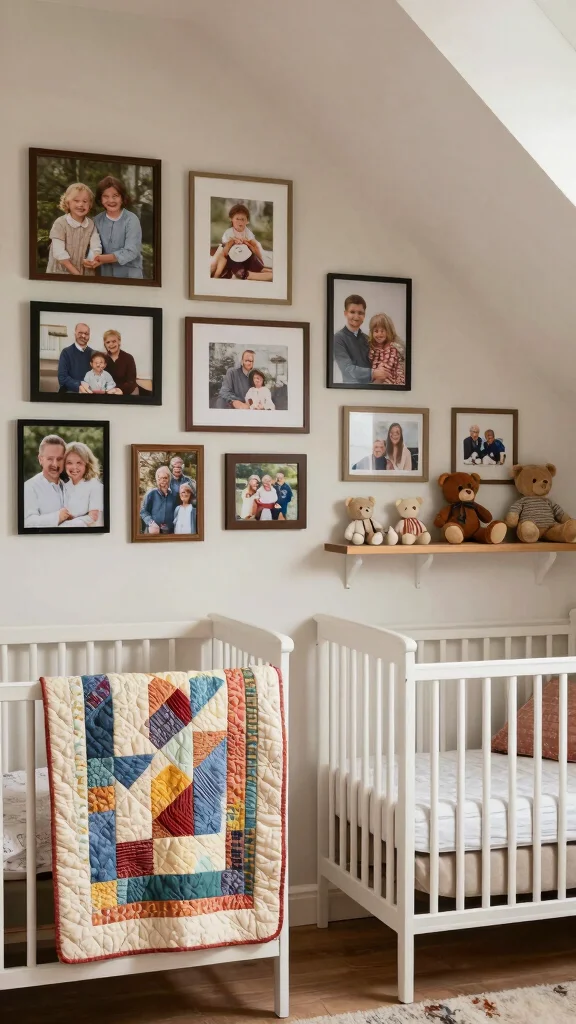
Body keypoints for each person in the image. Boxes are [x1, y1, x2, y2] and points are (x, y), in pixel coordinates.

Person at [85, 176, 143, 279]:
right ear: (100, 199)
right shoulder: (95, 221)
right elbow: (92, 246)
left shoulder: (131, 219)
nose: (111, 200)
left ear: (122, 197)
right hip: (104, 276)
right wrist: (91, 259)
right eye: (105, 196)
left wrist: (101, 259)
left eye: (115, 195)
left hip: (130, 277)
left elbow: (131, 251)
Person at [333, 295, 392, 386]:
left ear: (364, 315)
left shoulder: (368, 339)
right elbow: (347, 369)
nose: (356, 316)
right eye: (352, 312)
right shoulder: (338, 339)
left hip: (374, 390)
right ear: (345, 313)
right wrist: (373, 373)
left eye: (360, 313)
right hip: (351, 391)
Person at [46, 183, 101, 277]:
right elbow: (59, 253)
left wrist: (91, 259)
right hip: (61, 272)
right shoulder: (60, 223)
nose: (81, 204)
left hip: (84, 272)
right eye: (76, 201)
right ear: (68, 202)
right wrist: (76, 274)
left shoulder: (91, 224)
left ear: (90, 204)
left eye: (85, 201)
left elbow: (95, 246)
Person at [211, 203, 272, 281]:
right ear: (231, 219)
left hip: (247, 257)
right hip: (233, 258)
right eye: (237, 219)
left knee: (258, 266)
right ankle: (219, 275)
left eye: (242, 219)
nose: (240, 222)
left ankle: (266, 271)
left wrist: (249, 244)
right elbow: (225, 252)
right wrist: (231, 242)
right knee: (235, 269)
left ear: (247, 221)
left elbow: (255, 246)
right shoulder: (228, 233)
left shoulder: (247, 232)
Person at [23, 434, 71, 528]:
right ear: (41, 459)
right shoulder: (29, 487)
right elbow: (27, 523)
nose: (55, 464)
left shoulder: (69, 487)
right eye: (50, 459)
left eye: (59, 459)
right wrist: (57, 517)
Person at [60, 442, 104, 528]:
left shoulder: (95, 485)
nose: (74, 467)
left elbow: (93, 517)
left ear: (87, 464)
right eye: (69, 463)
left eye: (79, 463)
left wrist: (66, 524)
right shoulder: (64, 486)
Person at [367, 313, 405, 386]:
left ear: (388, 331)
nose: (379, 335)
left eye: (382, 331)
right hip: (376, 379)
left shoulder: (392, 348)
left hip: (390, 381)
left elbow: (385, 372)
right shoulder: (372, 347)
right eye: (376, 331)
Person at [58, 323, 94, 394]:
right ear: (75, 333)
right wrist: (79, 385)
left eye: (86, 334)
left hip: (89, 393)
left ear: (89, 336)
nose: (83, 336)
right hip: (69, 392)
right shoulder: (66, 352)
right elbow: (62, 378)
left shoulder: (93, 354)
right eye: (80, 333)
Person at [140, 466, 177, 535]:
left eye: (165, 478)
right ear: (157, 479)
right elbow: (143, 512)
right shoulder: (151, 494)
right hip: (153, 532)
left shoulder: (173, 496)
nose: (162, 480)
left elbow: (176, 513)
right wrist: (151, 522)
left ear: (169, 479)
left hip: (169, 533)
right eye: (160, 478)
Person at [103, 330, 139, 395]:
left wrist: (119, 390)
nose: (111, 344)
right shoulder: (103, 359)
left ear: (119, 342)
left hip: (127, 391)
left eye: (114, 341)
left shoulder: (129, 358)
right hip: (109, 391)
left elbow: (131, 381)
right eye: (108, 342)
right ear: (105, 344)